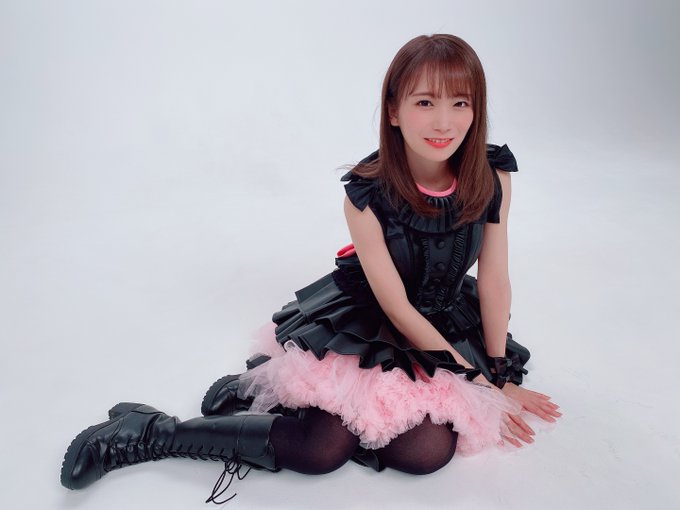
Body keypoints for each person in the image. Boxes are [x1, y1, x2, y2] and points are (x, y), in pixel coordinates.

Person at [60, 33, 561, 504]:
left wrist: (498, 374)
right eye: (425, 102)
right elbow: (396, 308)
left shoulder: (492, 174)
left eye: (460, 103)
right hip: (374, 322)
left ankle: (281, 398)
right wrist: (473, 381)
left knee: (423, 454)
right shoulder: (367, 194)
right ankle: (148, 432)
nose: (444, 122)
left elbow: (494, 277)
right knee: (323, 451)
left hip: (447, 318)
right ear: (394, 110)